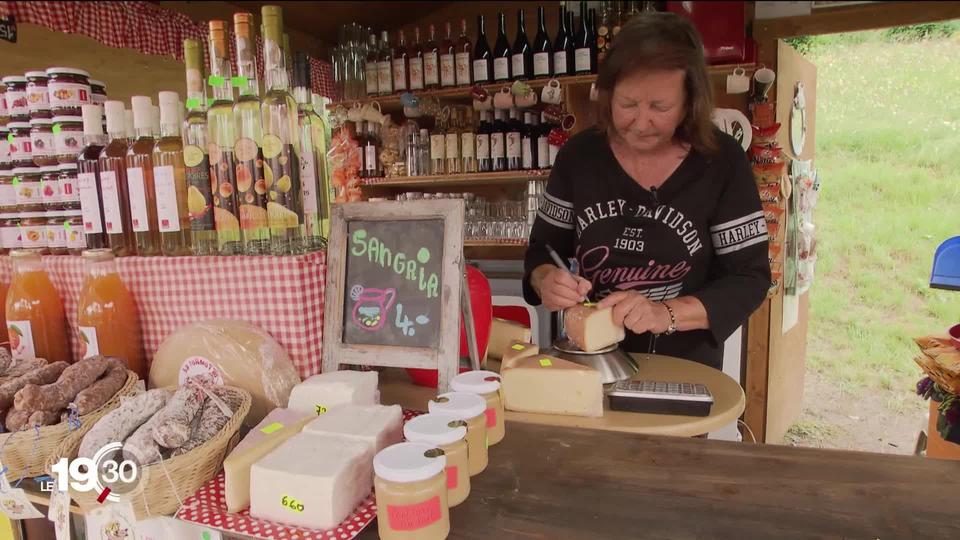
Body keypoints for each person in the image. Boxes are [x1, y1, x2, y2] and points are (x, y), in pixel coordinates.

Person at [523, 12, 770, 369]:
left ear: (690, 101)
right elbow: (542, 252)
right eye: (627, 104)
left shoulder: (721, 161)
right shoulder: (579, 156)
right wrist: (546, 279)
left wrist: (664, 313)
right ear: (607, 96)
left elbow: (749, 279)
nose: (640, 123)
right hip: (589, 364)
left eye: (659, 107)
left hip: (684, 367)